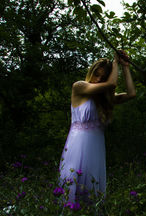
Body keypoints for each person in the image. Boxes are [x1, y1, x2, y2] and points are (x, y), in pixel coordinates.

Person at [58, 50, 136, 207]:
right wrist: (115, 62)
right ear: (90, 72)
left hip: (96, 147)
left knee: (92, 185)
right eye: (96, 74)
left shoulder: (106, 100)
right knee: (73, 183)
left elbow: (132, 93)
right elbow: (112, 84)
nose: (98, 79)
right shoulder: (79, 87)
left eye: (103, 77)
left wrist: (125, 67)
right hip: (77, 145)